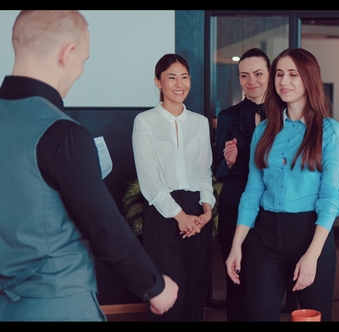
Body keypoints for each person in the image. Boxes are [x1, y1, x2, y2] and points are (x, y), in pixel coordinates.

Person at [0, 10, 178, 321]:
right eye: (83, 60)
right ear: (67, 53)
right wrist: (154, 285)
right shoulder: (62, 133)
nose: (80, 69)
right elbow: (104, 227)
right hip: (57, 304)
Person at [225, 47, 339, 321]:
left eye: (293, 74)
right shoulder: (264, 129)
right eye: (279, 74)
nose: (283, 81)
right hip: (265, 237)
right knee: (258, 315)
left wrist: (312, 256)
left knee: (313, 317)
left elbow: (330, 199)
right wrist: (236, 246)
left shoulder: (330, 131)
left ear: (309, 79)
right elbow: (253, 191)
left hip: (310, 235)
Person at [132, 53, 215, 321]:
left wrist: (207, 211)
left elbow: (204, 173)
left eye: (184, 77)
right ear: (158, 82)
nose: (180, 84)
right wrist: (179, 216)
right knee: (167, 295)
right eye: (171, 77)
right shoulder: (144, 121)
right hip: (162, 213)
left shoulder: (200, 123)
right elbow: (149, 180)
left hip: (196, 216)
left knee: (194, 291)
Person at [213, 48, 270, 321]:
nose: (252, 81)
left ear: (270, 75)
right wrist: (231, 162)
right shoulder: (227, 116)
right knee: (236, 278)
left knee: (266, 279)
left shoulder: (286, 115)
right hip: (234, 205)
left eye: (258, 74)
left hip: (271, 206)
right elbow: (218, 170)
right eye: (244, 75)